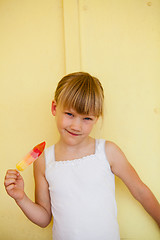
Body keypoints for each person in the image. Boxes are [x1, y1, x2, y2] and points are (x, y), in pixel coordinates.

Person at [4, 72, 160, 239]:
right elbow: (44, 218)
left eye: (86, 118)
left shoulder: (108, 152)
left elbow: (140, 191)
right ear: (55, 108)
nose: (76, 126)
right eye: (70, 114)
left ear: (96, 118)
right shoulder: (43, 161)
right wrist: (20, 197)